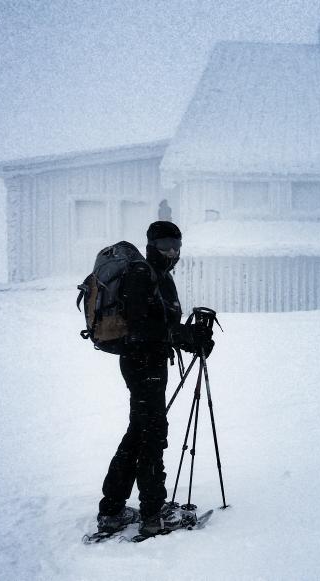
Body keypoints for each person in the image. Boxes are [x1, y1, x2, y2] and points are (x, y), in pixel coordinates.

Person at [95, 220, 214, 537]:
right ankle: (152, 515)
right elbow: (141, 327)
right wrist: (183, 335)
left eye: (176, 247)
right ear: (151, 246)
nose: (172, 253)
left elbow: (162, 326)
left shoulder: (161, 277)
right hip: (141, 364)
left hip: (150, 363)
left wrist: (192, 339)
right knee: (152, 436)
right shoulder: (141, 274)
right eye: (165, 246)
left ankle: (112, 510)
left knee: (139, 434)